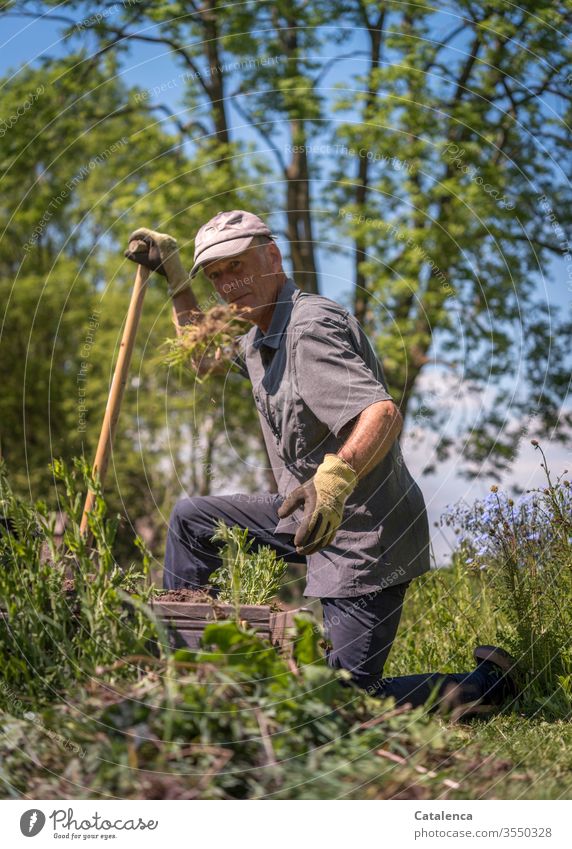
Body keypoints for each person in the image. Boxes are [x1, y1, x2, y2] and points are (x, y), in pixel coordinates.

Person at [126, 210, 518, 718]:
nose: (228, 284)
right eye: (216, 275)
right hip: (304, 513)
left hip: (361, 534)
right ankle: (188, 672)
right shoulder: (258, 334)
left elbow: (381, 412)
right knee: (193, 519)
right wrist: (177, 276)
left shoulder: (308, 329)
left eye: (237, 265)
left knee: (335, 705)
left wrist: (332, 481)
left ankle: (488, 685)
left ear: (273, 256)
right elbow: (201, 358)